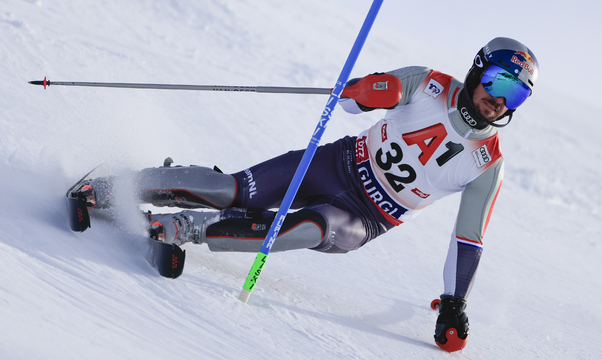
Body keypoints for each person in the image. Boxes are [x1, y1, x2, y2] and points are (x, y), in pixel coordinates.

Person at [78, 37, 538, 352]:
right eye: (498, 82)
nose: (500, 101)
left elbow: (469, 238)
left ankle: (183, 229)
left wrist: (454, 302)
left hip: (365, 216)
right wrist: (375, 90)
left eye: (515, 96)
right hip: (334, 163)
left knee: (303, 229)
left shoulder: (488, 163)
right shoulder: (429, 83)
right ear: (479, 71)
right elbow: (352, 100)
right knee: (232, 189)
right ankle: (110, 186)